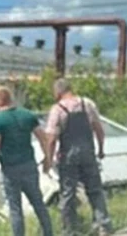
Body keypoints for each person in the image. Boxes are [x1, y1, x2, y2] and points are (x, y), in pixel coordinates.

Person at [45, 78, 113, 236]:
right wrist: (101, 149)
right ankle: (103, 226)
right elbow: (99, 130)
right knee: (95, 190)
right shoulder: (87, 104)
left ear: (58, 92)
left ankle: (70, 230)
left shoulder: (57, 109)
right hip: (88, 152)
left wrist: (49, 159)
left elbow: (52, 139)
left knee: (68, 194)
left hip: (68, 156)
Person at [0, 85, 55, 236]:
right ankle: (48, 233)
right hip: (29, 166)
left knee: (15, 208)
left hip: (10, 169)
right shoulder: (28, 115)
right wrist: (48, 159)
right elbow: (44, 138)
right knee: (38, 202)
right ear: (10, 98)